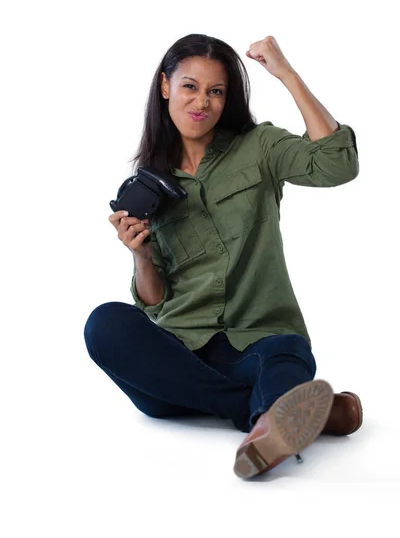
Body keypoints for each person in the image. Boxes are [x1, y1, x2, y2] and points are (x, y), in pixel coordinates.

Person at [84, 33, 362, 480]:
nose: (202, 102)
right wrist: (141, 257)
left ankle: (268, 421)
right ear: (165, 87)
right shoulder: (148, 186)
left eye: (216, 91)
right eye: (190, 86)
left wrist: (287, 74)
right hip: (181, 352)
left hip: (259, 334)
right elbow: (154, 303)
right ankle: (277, 414)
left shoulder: (260, 147)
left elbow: (337, 164)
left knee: (287, 352)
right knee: (105, 324)